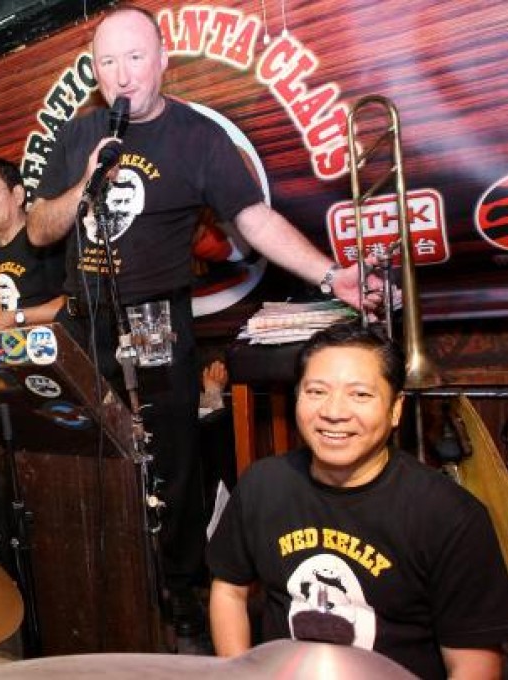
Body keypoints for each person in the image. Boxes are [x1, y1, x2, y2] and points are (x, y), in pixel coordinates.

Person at [27, 4, 382, 635]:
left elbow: (254, 220)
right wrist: (81, 184)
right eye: (107, 63)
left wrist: (332, 276)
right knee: (88, 459)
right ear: (95, 74)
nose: (122, 75)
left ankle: (182, 587)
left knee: (172, 458)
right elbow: (38, 228)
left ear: (162, 61)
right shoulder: (80, 137)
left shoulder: (196, 136)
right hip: (87, 320)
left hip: (156, 318)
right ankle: (103, 583)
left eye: (135, 58)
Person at [207, 323, 508, 678]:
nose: (334, 412)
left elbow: (472, 664)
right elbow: (229, 590)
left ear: (395, 409)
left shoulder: (451, 516)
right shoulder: (263, 484)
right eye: (316, 391)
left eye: (360, 395)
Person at [0, 158, 65, 332]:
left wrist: (17, 317)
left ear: (17, 195)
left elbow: (73, 303)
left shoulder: (45, 240)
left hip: (47, 352)